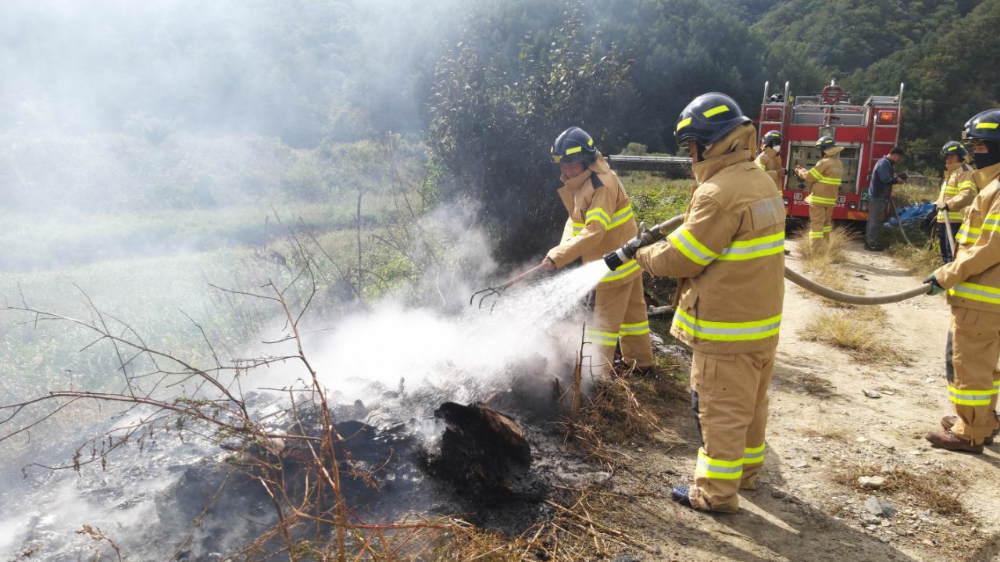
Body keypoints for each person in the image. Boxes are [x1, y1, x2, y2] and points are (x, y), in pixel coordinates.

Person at [608, 93, 785, 512]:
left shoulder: (718, 193)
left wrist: (641, 255)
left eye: (690, 146)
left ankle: (715, 495)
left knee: (719, 410)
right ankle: (746, 475)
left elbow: (681, 257)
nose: (689, 155)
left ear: (710, 142)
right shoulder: (760, 179)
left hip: (725, 328)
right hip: (760, 324)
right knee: (751, 405)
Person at [541, 127, 654, 381]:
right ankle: (641, 363)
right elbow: (575, 221)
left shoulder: (600, 186)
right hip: (627, 256)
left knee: (602, 324)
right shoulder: (583, 182)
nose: (565, 171)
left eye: (571, 165)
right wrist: (558, 253)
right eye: (563, 164)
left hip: (613, 264)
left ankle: (597, 378)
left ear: (587, 160)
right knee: (634, 316)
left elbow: (594, 231)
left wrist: (558, 256)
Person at [924, 109, 1000, 454]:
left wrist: (947, 273)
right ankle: (981, 421)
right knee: (985, 364)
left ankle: (969, 432)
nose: (974, 152)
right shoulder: (992, 185)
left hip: (984, 299)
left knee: (968, 362)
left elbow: (990, 247)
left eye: (981, 145)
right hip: (984, 296)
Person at [795, 136, 843, 251]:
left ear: (824, 150)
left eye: (819, 149)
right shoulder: (838, 163)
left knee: (816, 227)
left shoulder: (824, 162)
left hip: (818, 201)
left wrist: (800, 171)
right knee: (826, 225)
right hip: (830, 201)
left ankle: (816, 253)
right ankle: (825, 248)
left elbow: (810, 177)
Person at [934, 141, 977, 264]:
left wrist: (948, 205)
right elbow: (945, 194)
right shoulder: (951, 172)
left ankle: (952, 280)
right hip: (945, 219)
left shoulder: (965, 171)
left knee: (953, 254)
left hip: (956, 221)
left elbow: (966, 193)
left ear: (960, 156)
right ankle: (944, 278)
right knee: (945, 253)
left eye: (951, 157)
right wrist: (936, 206)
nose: (948, 160)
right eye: (947, 158)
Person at [865, 147, 906, 251]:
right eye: (898, 158)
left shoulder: (885, 163)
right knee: (875, 220)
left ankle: (869, 242)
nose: (898, 160)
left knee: (872, 220)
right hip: (878, 196)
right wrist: (897, 180)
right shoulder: (884, 163)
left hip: (877, 195)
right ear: (895, 155)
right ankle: (871, 243)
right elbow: (885, 179)